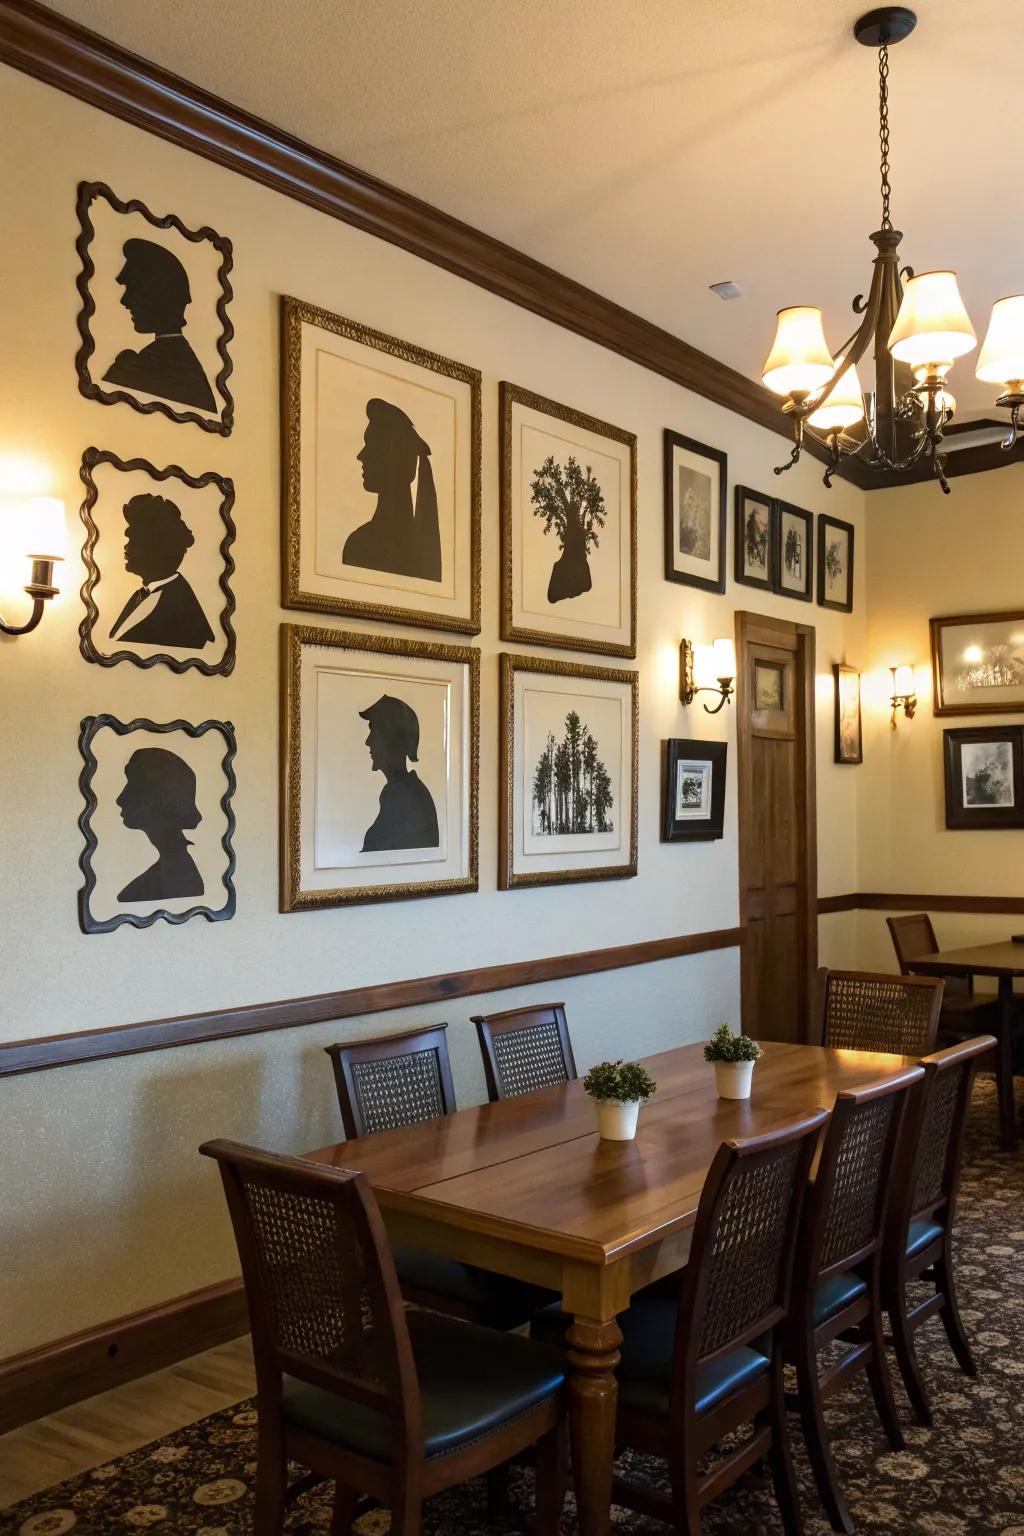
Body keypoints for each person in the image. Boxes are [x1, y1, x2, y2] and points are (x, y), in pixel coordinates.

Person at [103, 238, 216, 412]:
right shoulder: (174, 358)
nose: (125, 301)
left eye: (134, 290)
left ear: (158, 296)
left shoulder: (159, 364)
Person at [344, 398, 441, 581]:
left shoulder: (361, 544)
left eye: (371, 445)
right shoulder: (422, 549)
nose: (361, 455)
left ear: (392, 458)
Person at [109, 494, 215, 649]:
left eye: (134, 540)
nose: (126, 547)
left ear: (156, 549)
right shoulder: (139, 596)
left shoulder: (183, 608)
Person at [116, 748, 204, 902]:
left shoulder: (177, 876)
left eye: (134, 786)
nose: (121, 798)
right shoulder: (177, 870)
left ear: (161, 797)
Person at [358, 694, 439, 853]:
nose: (368, 742)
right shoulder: (398, 792)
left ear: (392, 739)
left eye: (374, 731)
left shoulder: (405, 797)